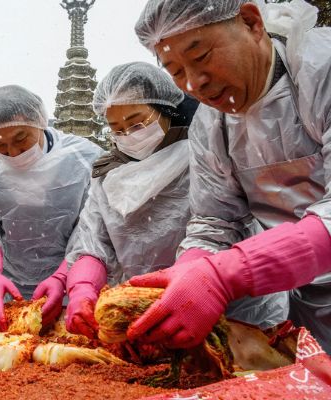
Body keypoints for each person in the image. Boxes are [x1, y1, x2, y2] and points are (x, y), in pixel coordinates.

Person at [127, 0, 331, 351]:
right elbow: (214, 220)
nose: (195, 83)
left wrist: (228, 274)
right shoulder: (210, 125)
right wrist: (192, 269)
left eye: (202, 55)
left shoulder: (321, 69)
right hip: (309, 301)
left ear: (251, 22)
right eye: (175, 71)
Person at [64, 62, 287, 339]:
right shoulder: (107, 175)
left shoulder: (207, 154)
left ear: (165, 110)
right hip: (145, 312)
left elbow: (218, 226)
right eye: (117, 128)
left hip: (235, 312)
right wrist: (83, 287)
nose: (128, 135)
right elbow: (91, 243)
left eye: (137, 122)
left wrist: (191, 280)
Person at [0, 85, 103, 330]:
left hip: (75, 284)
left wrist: (65, 278)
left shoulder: (82, 158)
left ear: (40, 122)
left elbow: (91, 229)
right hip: (10, 288)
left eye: (21, 138)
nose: (13, 151)